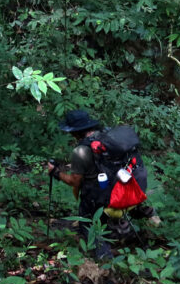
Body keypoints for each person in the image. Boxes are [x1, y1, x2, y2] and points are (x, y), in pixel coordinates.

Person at [47, 109, 158, 259]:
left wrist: (55, 172)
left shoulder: (81, 151)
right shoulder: (109, 139)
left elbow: (74, 181)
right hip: (130, 190)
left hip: (105, 199)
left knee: (87, 223)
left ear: (74, 132)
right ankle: (143, 224)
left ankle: (104, 258)